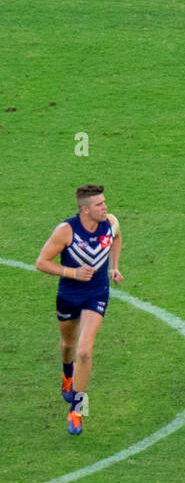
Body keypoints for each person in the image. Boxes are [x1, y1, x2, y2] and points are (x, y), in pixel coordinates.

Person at [34, 184, 123, 436]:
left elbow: (117, 237)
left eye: (104, 202)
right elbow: (41, 262)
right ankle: (66, 374)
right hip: (69, 295)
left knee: (84, 351)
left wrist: (114, 267)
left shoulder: (110, 222)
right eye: (99, 205)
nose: (105, 207)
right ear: (85, 210)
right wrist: (72, 272)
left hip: (96, 294)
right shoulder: (66, 231)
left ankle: (77, 408)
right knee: (67, 345)